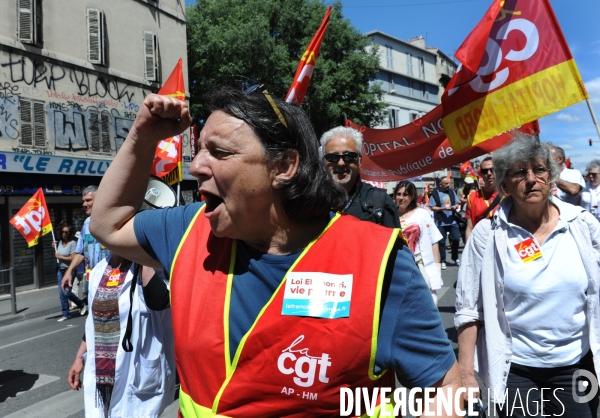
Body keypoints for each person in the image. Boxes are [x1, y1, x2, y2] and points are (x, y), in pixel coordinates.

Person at [88, 87, 462, 417]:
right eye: (199, 150)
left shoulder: (379, 263)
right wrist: (143, 136)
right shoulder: (189, 230)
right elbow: (107, 224)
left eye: (218, 152)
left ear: (284, 166)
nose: (196, 166)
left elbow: (447, 387)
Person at [455, 134, 600, 417]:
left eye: (539, 170)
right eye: (520, 172)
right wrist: (466, 375)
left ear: (552, 176)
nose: (531, 179)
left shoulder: (582, 224)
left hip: (578, 366)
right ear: (504, 184)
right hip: (517, 371)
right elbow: (468, 309)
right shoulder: (488, 234)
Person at [67, 253, 175, 418]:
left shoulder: (153, 266)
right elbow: (94, 322)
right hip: (102, 374)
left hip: (137, 374)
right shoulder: (99, 271)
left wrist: (142, 254)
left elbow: (159, 301)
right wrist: (79, 358)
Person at [320, 126, 400, 228]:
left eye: (349, 156)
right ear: (324, 161)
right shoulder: (312, 202)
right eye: (332, 157)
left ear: (359, 161)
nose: (341, 163)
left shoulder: (380, 202)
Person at [393, 181, 443, 306]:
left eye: (405, 194)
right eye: (398, 194)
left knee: (429, 299)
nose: (401, 198)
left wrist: (436, 264)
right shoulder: (390, 214)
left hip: (421, 263)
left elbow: (433, 240)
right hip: (399, 264)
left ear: (412, 196)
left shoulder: (422, 214)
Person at [61, 186, 111, 294]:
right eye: (83, 201)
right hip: (93, 282)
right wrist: (69, 271)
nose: (84, 204)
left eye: (88, 200)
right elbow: (80, 252)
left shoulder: (113, 221)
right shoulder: (87, 223)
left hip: (112, 281)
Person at [54, 224, 87, 322]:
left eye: (66, 232)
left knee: (67, 293)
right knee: (61, 294)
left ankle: (81, 304)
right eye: (63, 232)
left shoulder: (73, 243)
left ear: (70, 233)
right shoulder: (59, 242)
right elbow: (57, 255)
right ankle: (66, 314)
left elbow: (73, 258)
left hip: (70, 270)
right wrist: (54, 248)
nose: (64, 234)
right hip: (61, 270)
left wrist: (60, 257)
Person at [464, 156, 500, 242]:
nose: (489, 173)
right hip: (482, 246)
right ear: (481, 174)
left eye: (492, 170)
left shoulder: (509, 194)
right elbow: (469, 228)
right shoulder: (472, 197)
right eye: (485, 171)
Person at [428, 177, 461, 269]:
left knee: (456, 238)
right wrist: (443, 209)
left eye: (448, 183)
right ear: (440, 185)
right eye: (446, 183)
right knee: (442, 242)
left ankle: (455, 257)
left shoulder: (451, 192)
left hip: (452, 220)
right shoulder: (434, 194)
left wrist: (455, 206)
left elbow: (458, 203)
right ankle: (443, 260)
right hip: (441, 222)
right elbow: (432, 207)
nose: (448, 185)